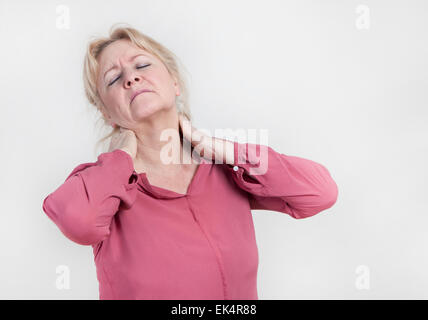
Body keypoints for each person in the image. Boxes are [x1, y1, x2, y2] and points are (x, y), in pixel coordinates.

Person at [42, 24, 339, 300]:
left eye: (142, 65)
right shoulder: (102, 185)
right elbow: (78, 223)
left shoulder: (227, 171)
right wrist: (120, 158)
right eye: (114, 79)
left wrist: (219, 148)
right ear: (108, 114)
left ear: (174, 84)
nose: (131, 78)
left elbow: (320, 193)